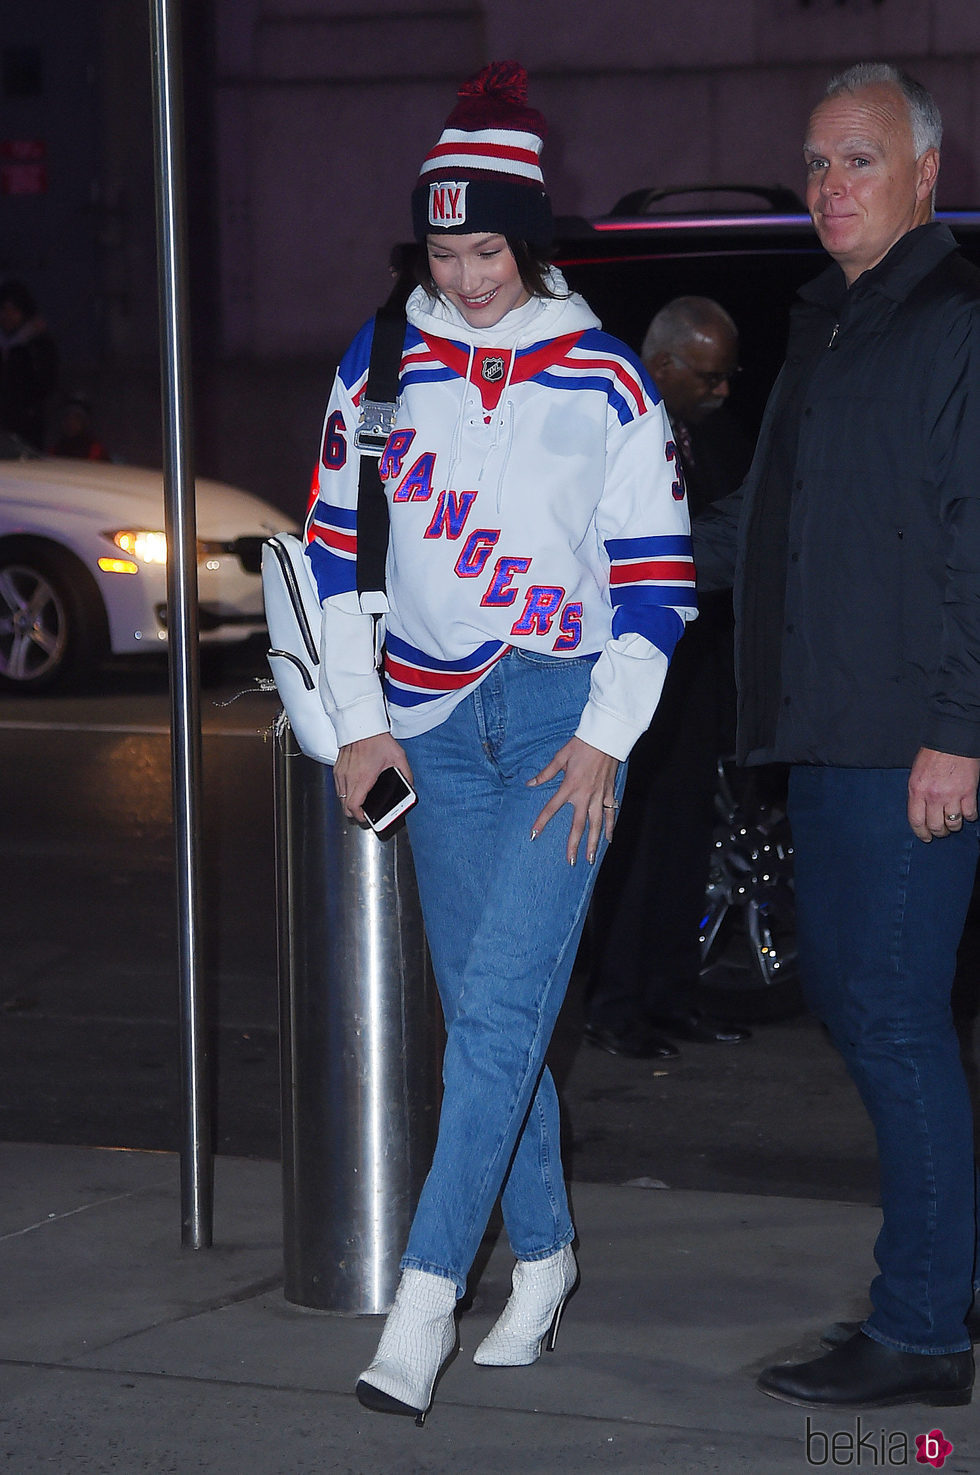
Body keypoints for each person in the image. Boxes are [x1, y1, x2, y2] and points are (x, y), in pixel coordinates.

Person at [305, 61, 696, 1424]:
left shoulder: (602, 376)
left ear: (532, 239)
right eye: (443, 248)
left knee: (496, 1016)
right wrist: (359, 723)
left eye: (488, 249)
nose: (467, 276)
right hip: (424, 721)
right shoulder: (381, 358)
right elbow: (333, 551)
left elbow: (656, 581)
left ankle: (425, 1303)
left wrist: (604, 738)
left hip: (556, 717)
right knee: (490, 1016)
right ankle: (544, 1252)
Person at [695, 62, 979, 1409]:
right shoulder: (827, 326)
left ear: (929, 173)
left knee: (892, 1016)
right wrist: (601, 557)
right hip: (825, 730)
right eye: (814, 164)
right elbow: (758, 523)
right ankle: (948, 1267)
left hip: (909, 746)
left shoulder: (954, 323)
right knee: (864, 1007)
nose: (827, 188)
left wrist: (961, 732)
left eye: (856, 161)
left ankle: (924, 1328)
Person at [586, 298, 753, 1058]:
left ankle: (671, 995)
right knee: (634, 842)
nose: (723, 391)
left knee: (688, 835)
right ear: (663, 366)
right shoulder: (612, 426)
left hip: (694, 671)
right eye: (710, 376)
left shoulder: (710, 442)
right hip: (629, 665)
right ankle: (616, 1005)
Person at [0, 279, 58, 449]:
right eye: (3, 309)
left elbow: (45, 383)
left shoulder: (37, 344)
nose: (7, 316)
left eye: (14, 310)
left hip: (26, 427)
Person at [51, 393, 110, 461]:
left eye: (77, 418)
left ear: (85, 422)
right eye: (67, 417)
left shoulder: (96, 451)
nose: (71, 422)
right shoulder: (54, 450)